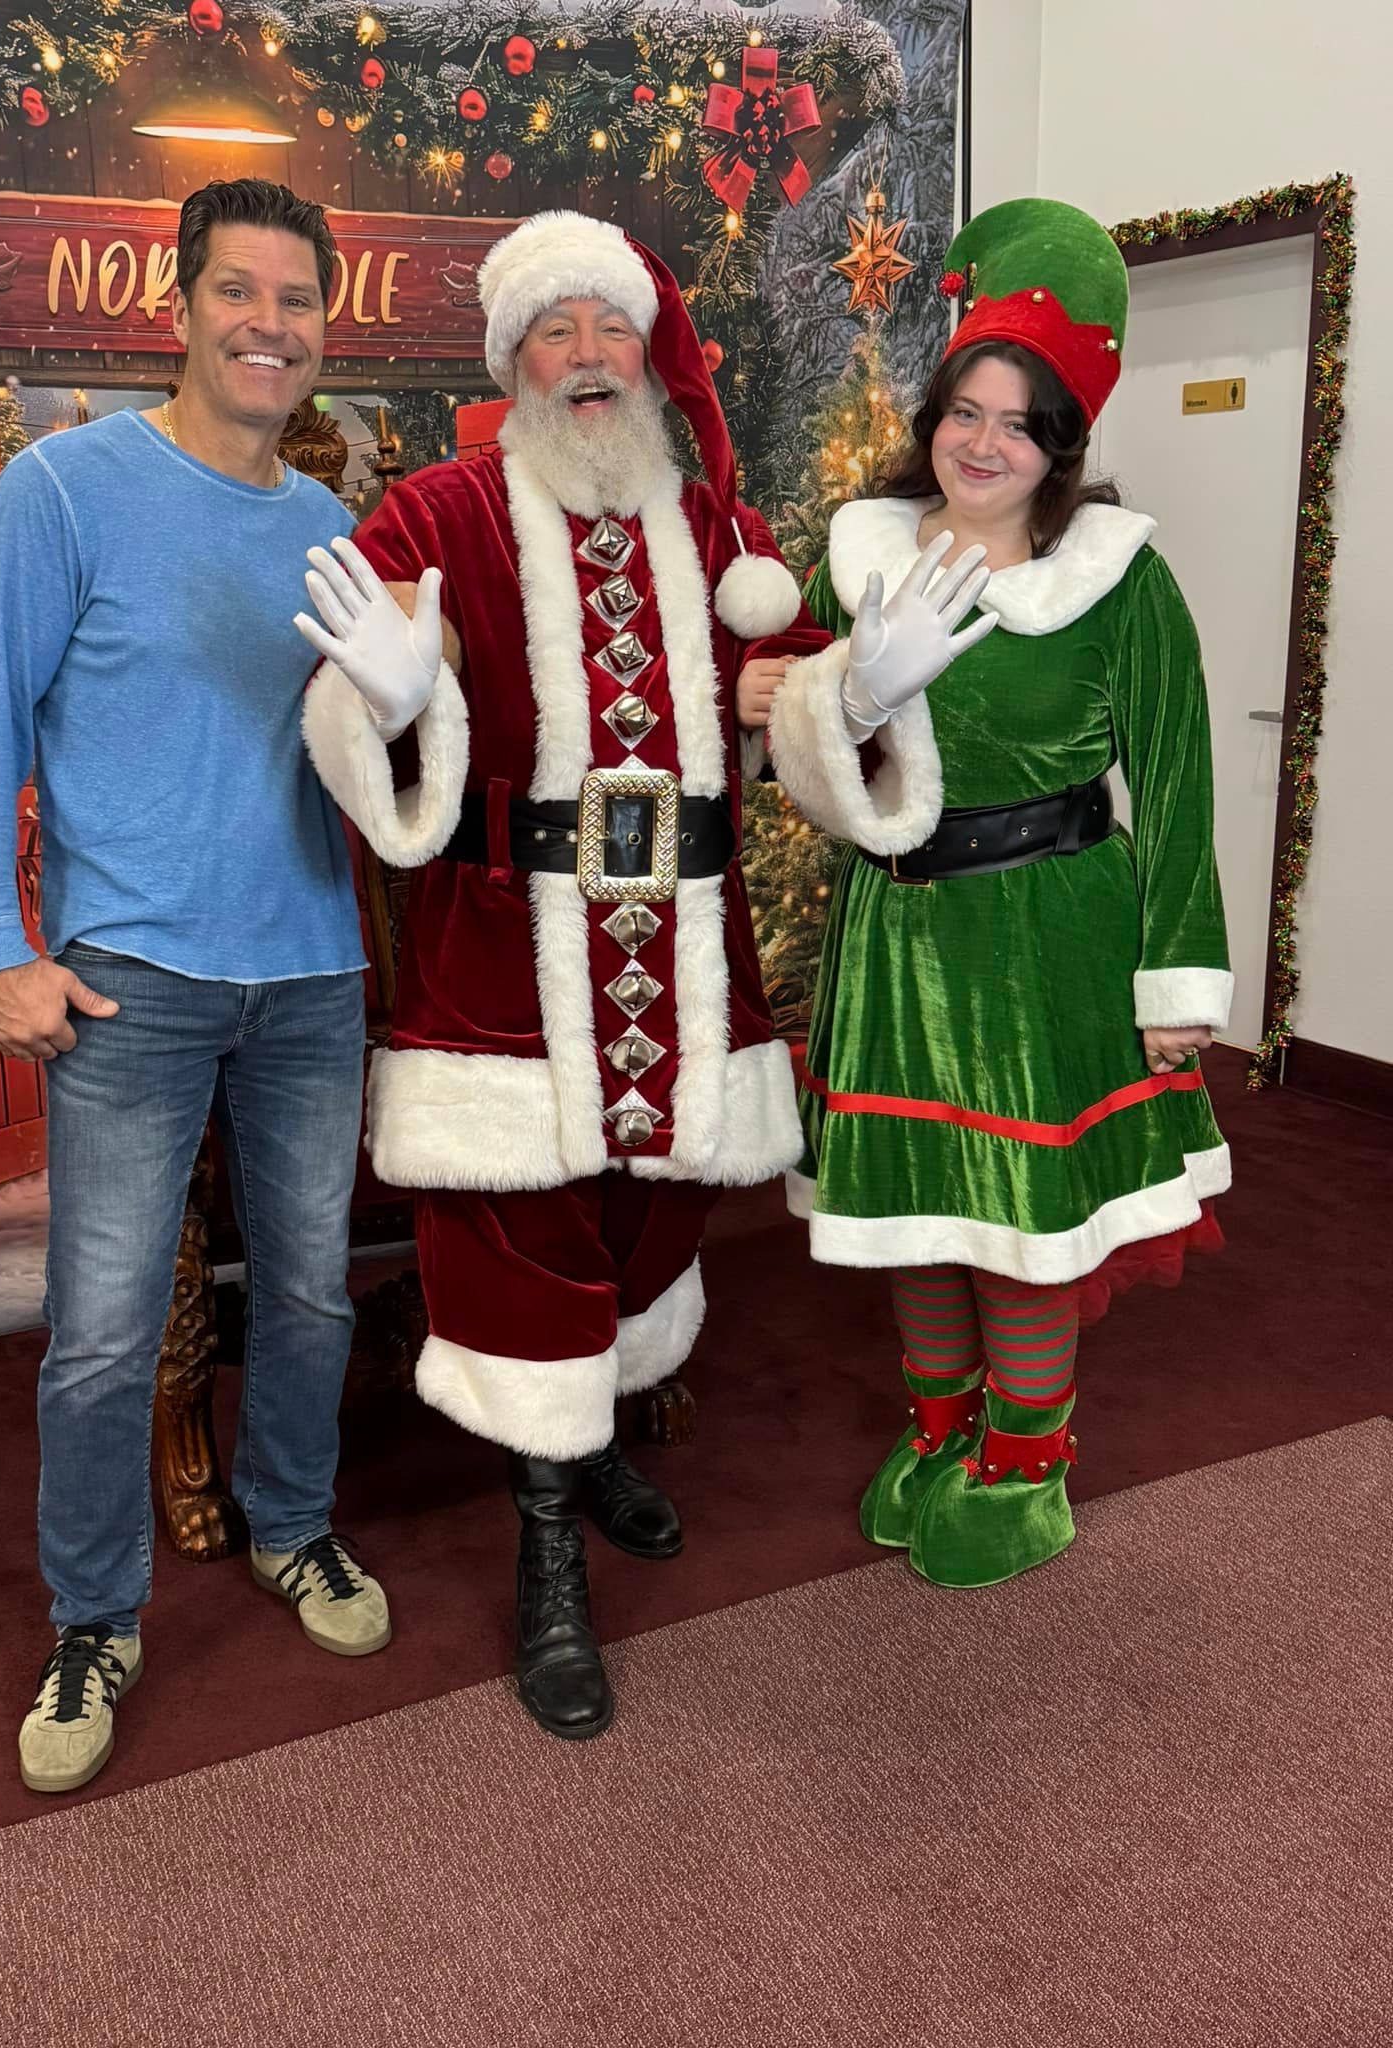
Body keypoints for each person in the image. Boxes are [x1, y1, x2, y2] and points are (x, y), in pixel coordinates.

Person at [293, 212, 974, 1739]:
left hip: (685, 941)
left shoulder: (716, 529)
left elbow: (803, 702)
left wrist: (855, 689)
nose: (589, 357)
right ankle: (547, 1544)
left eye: (612, 328)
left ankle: (593, 1444)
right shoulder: (445, 510)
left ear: (647, 352)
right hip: (510, 953)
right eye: (556, 333)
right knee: (523, 1234)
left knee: (652, 1215)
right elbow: (355, 698)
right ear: (513, 363)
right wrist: (394, 704)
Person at [0, 178, 390, 1797]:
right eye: (241, 293)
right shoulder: (67, 490)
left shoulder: (336, 535)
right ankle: (93, 1615)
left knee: (317, 1297)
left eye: (299, 301)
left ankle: (295, 1526)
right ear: (180, 306)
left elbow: (374, 749)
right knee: (105, 1335)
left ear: (326, 326)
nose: (273, 325)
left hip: (316, 975)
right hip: (127, 982)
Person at [769, 197, 1231, 1589]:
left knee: (1022, 1221)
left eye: (1017, 424)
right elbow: (780, 714)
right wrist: (836, 686)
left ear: (1060, 446)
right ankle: (943, 1427)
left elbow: (1181, 779)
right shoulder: (858, 555)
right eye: (964, 410)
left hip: (1051, 935)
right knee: (915, 1201)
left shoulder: (1119, 584)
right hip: (898, 927)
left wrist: (1179, 982)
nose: (981, 443)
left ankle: (1028, 1466)